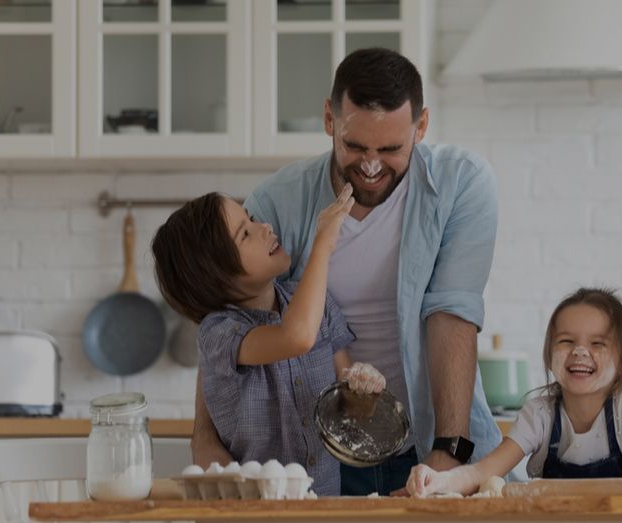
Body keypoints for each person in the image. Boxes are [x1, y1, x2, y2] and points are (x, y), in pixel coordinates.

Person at [190, 47, 501, 496]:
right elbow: (226, 316)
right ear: (329, 121)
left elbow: (451, 313)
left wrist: (447, 451)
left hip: (431, 447)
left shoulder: (462, 184)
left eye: (391, 149)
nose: (371, 166)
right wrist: (204, 436)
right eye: (355, 146)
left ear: (422, 126)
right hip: (317, 459)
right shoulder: (277, 202)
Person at [151, 187, 387, 496]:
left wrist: (363, 390)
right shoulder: (219, 334)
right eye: (245, 235)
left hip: (325, 509)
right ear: (216, 274)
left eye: (251, 219)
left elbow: (348, 411)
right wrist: (323, 245)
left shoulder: (319, 305)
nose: (264, 227)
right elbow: (296, 337)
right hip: (254, 514)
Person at [406, 288, 622, 497]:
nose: (580, 351)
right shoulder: (541, 413)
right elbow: (484, 472)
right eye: (566, 341)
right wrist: (439, 480)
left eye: (597, 343)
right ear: (548, 353)